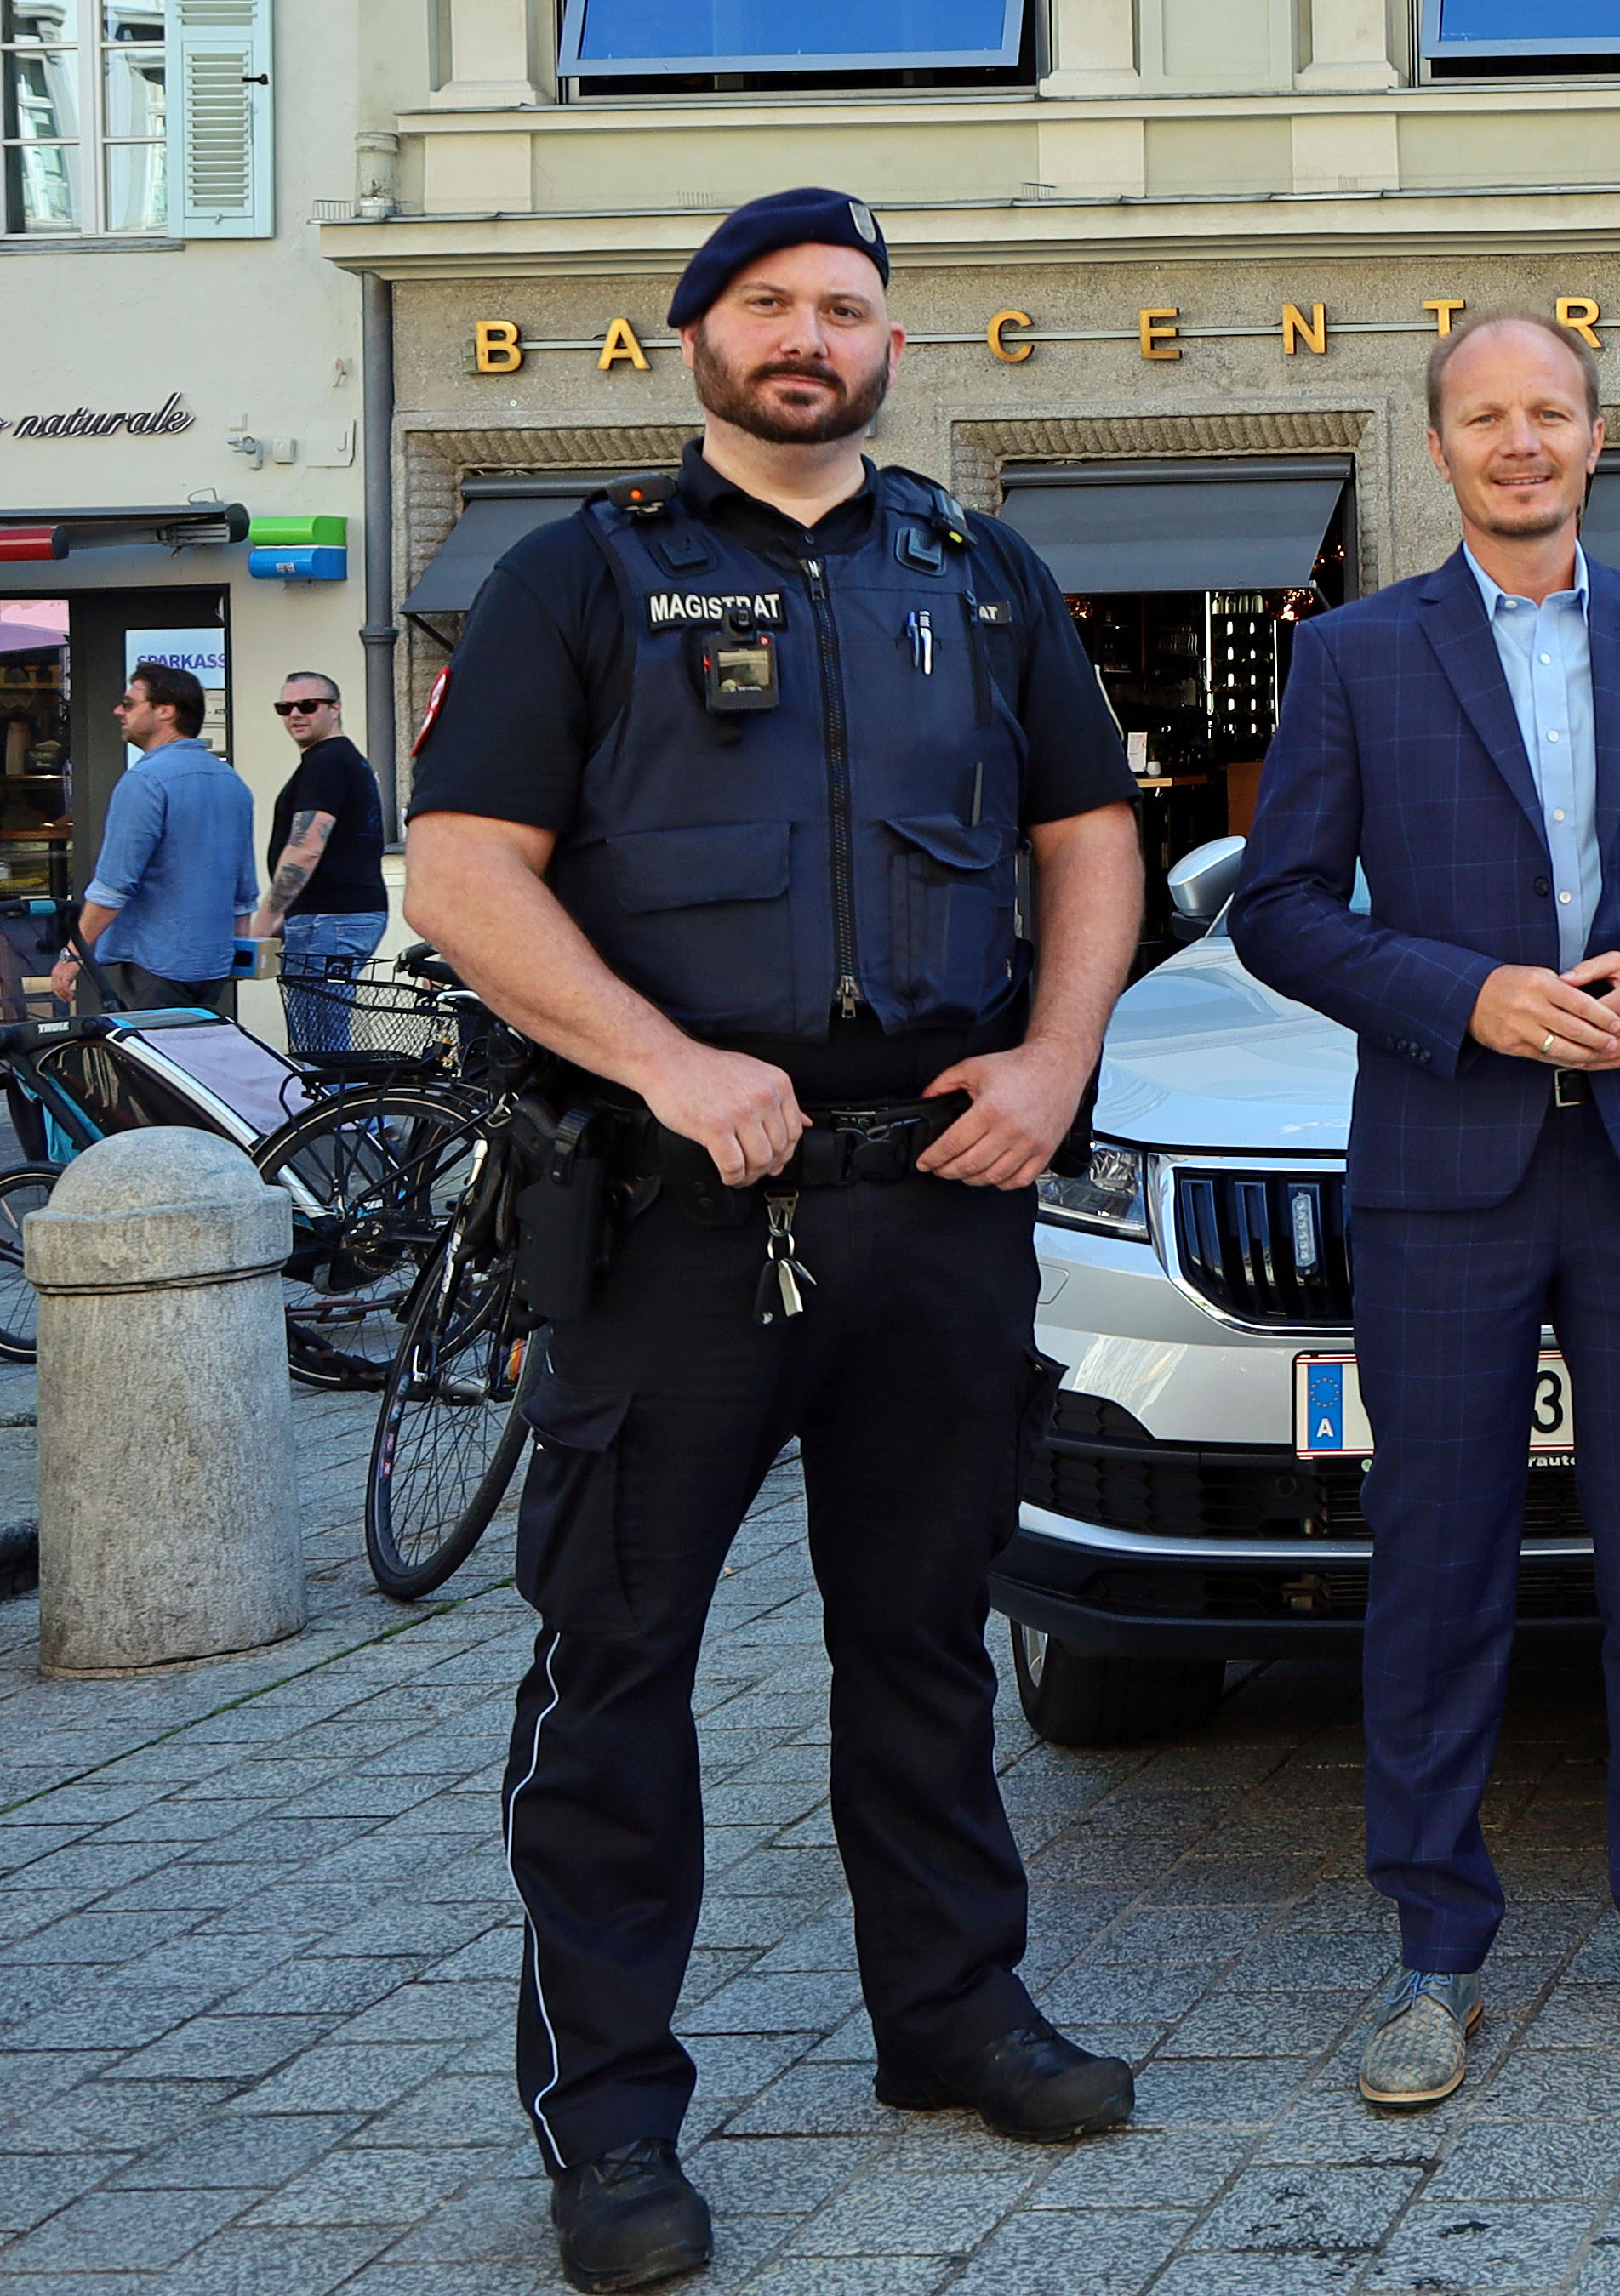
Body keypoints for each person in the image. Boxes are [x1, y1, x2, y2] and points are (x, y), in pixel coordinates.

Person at [401, 187, 1147, 2293]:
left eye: (843, 307)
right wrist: (658, 1063)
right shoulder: (575, 574)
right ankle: (615, 2118)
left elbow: (1090, 837)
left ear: (887, 345)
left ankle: (952, 2015)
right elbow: (460, 870)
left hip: (938, 1190)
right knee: (615, 1662)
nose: (808, 335)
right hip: (670, 1213)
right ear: (694, 338)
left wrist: (1054, 1062)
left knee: (919, 1639)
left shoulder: (977, 571)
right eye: (767, 305)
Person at [1231, 309, 1620, 2110]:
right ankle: (1431, 1946)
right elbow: (1278, 907)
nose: (1518, 441)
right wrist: (1458, 992)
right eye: (1484, 416)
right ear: (1441, 446)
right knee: (1434, 1562)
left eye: (1546, 411)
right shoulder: (1353, 654)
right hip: (1444, 1166)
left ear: (1592, 434)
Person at [49, 662, 253, 1019]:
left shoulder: (145, 781)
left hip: (157, 962)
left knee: (150, 1072)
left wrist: (72, 955)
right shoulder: (230, 781)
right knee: (195, 1069)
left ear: (166, 711)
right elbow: (243, 891)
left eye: (129, 703)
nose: (118, 711)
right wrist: (236, 953)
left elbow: (113, 886)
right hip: (213, 964)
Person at [251, 670, 391, 1052]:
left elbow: (307, 846)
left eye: (307, 705)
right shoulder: (337, 760)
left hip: (328, 920)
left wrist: (267, 916)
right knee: (326, 1045)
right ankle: (359, 1113)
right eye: (285, 707)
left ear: (335, 708)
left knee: (320, 1051)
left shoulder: (327, 762)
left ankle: (354, 1114)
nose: (295, 713)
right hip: (336, 918)